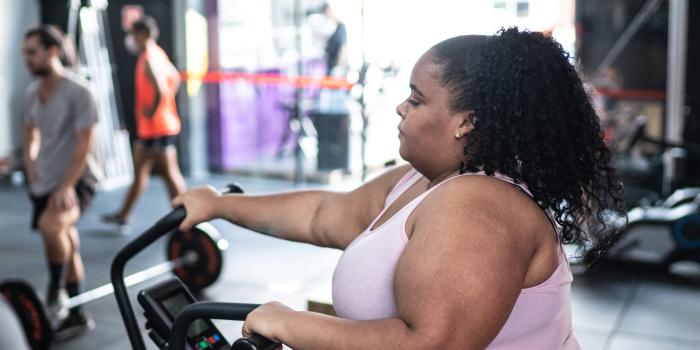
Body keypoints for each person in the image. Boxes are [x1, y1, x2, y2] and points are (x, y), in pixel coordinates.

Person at [174, 28, 626, 349]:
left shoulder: (480, 204)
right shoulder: (425, 179)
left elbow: (432, 343)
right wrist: (218, 204)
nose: (400, 106)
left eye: (417, 98)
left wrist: (291, 323)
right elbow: (321, 215)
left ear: (467, 121)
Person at [22, 25, 98, 340]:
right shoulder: (31, 93)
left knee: (52, 228)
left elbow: (84, 144)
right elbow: (30, 130)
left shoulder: (79, 91)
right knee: (66, 241)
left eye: (32, 52)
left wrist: (67, 185)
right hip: (45, 178)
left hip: (76, 180)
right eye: (24, 53)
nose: (27, 59)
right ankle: (78, 314)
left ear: (52, 52)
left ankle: (55, 292)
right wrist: (29, 162)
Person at [102, 16, 186, 230]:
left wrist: (154, 109)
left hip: (157, 128)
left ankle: (187, 215)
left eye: (133, 35)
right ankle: (123, 215)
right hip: (154, 127)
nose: (131, 39)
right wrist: (164, 104)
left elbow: (160, 88)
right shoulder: (158, 54)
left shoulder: (149, 58)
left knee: (169, 174)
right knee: (141, 173)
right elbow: (175, 79)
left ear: (143, 35)